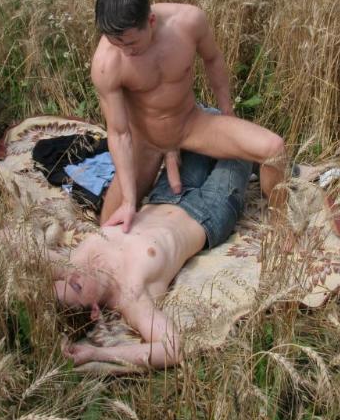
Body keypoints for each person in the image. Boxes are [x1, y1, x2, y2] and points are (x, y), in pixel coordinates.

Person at [91, 0, 287, 233]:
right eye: (116, 43)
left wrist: (227, 113)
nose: (126, 51)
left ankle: (282, 225)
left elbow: (213, 59)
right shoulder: (107, 64)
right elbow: (119, 133)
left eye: (131, 43)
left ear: (151, 21)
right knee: (106, 228)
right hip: (145, 141)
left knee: (274, 148)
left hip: (190, 124)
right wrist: (129, 202)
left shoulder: (188, 22)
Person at [57, 149, 252, 368]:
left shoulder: (77, 260)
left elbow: (34, 262)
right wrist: (96, 353)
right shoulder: (131, 297)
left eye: (66, 276)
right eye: (76, 286)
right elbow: (172, 349)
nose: (75, 274)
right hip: (207, 212)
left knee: (202, 129)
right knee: (241, 145)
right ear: (94, 310)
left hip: (166, 195)